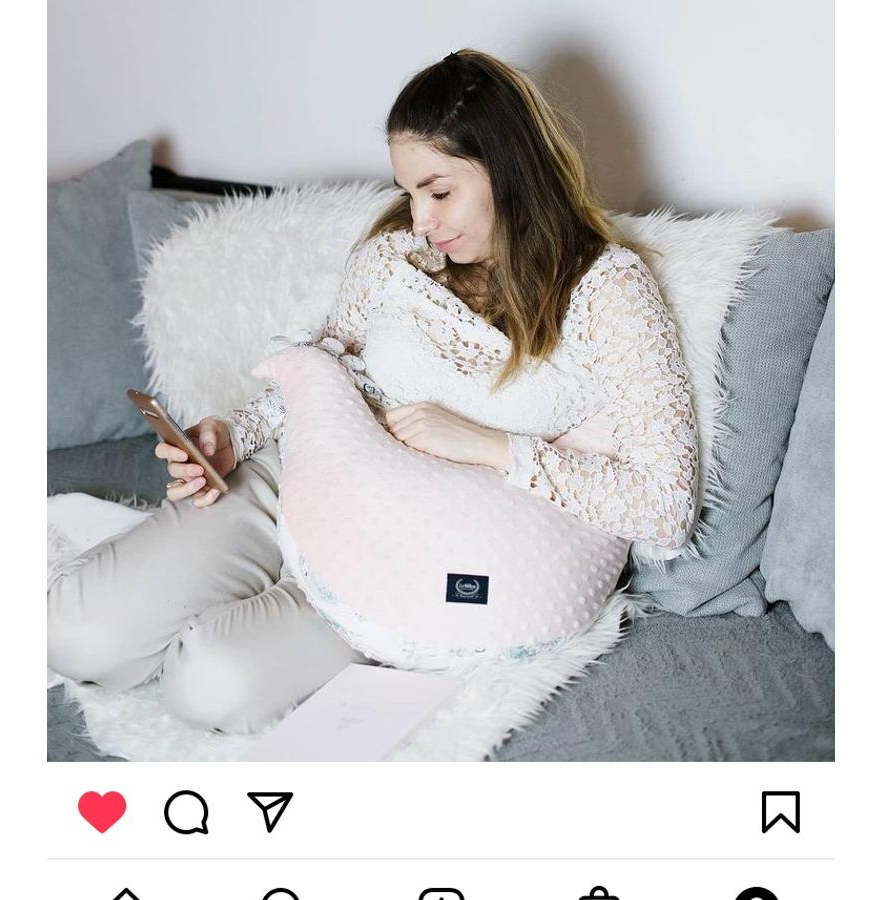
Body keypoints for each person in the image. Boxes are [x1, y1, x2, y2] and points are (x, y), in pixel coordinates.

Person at [48, 49, 699, 736]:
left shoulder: (608, 291)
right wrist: (232, 436)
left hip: (410, 559)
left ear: (511, 166)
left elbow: (665, 507)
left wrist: (492, 446)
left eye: (438, 192)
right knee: (71, 631)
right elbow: (330, 365)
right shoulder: (398, 256)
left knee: (207, 685)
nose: (421, 220)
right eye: (408, 193)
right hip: (293, 476)